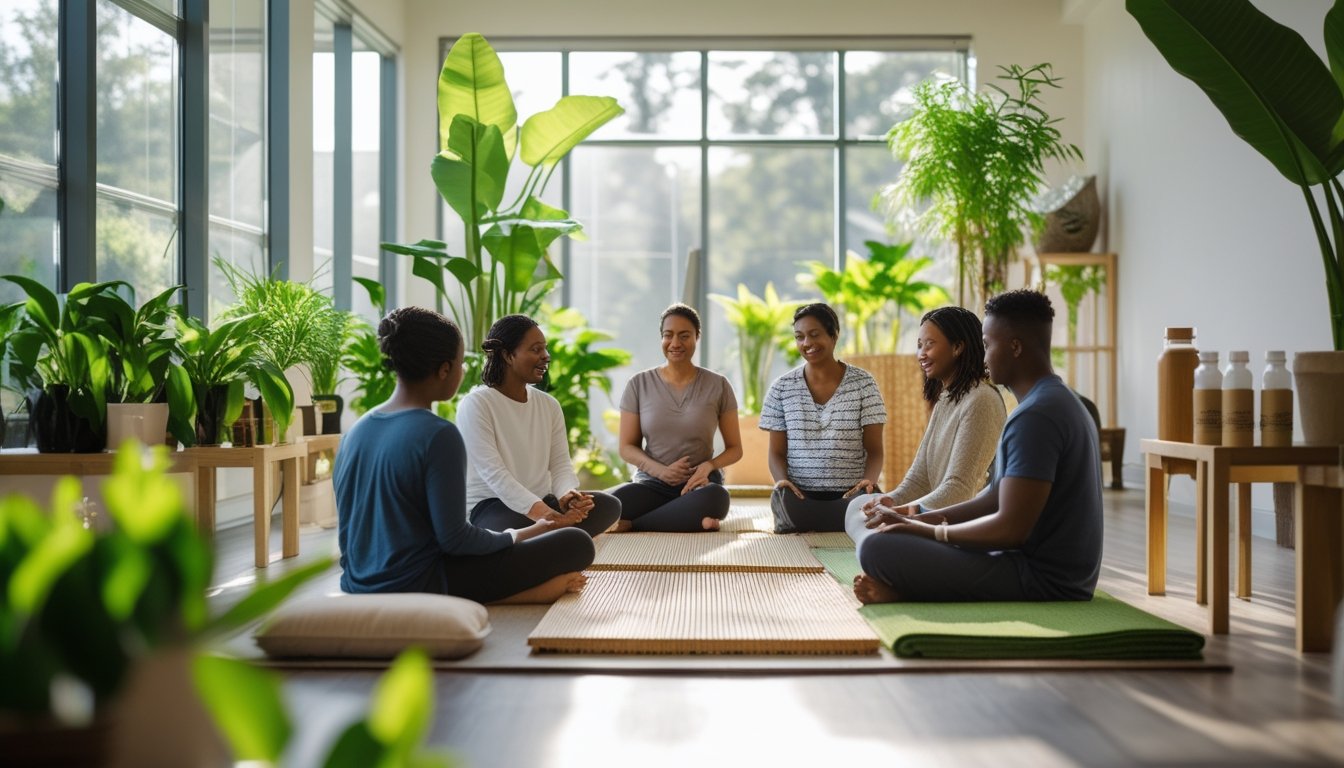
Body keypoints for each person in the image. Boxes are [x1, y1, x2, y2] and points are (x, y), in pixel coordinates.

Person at [852, 289, 1103, 604]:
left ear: (1014, 347)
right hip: (1053, 572)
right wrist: (917, 519)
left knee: (877, 549)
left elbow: (1011, 529)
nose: (983, 357)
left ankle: (908, 590)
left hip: (1043, 579)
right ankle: (907, 587)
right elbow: (995, 497)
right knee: (885, 537)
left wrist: (928, 532)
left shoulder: (1036, 416)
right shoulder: (1058, 401)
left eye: (987, 345)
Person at [334, 307, 591, 604]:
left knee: (554, 538)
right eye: (460, 363)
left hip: (355, 582)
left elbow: (347, 535)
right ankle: (516, 595)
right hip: (420, 583)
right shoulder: (438, 434)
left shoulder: (356, 430)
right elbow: (456, 540)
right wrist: (523, 533)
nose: (464, 371)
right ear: (444, 369)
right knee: (576, 543)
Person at [844, 306, 1006, 548]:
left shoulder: (981, 400)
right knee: (857, 506)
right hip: (931, 516)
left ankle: (877, 545)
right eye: (919, 345)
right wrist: (890, 501)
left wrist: (907, 513)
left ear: (957, 347)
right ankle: (877, 542)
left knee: (875, 544)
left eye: (929, 344)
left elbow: (959, 490)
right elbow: (919, 478)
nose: (921, 353)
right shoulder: (947, 398)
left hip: (957, 527)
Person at [457, 313, 622, 539]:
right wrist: (547, 516)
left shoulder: (549, 405)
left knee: (608, 506)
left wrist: (567, 495)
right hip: (493, 505)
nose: (546, 356)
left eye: (545, 349)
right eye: (536, 350)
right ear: (507, 355)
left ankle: (553, 539)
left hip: (543, 501)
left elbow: (561, 464)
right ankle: (557, 538)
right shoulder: (476, 404)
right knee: (539, 533)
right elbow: (495, 475)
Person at [611, 303, 742, 532]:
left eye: (684, 336)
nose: (675, 343)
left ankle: (636, 524)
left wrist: (709, 466)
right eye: (668, 335)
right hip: (652, 483)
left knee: (716, 497)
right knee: (613, 504)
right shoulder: (638, 384)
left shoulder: (718, 385)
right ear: (661, 338)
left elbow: (735, 449)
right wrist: (661, 471)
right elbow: (626, 447)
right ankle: (687, 518)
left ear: (697, 337)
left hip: (699, 485)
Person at [759, 303, 886, 533]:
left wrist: (868, 482)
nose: (806, 343)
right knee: (782, 498)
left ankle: (846, 517)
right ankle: (840, 522)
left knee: (871, 501)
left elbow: (875, 450)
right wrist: (782, 481)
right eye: (800, 337)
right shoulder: (781, 388)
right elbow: (776, 452)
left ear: (834, 336)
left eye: (814, 335)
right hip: (800, 499)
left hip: (850, 496)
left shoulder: (864, 384)